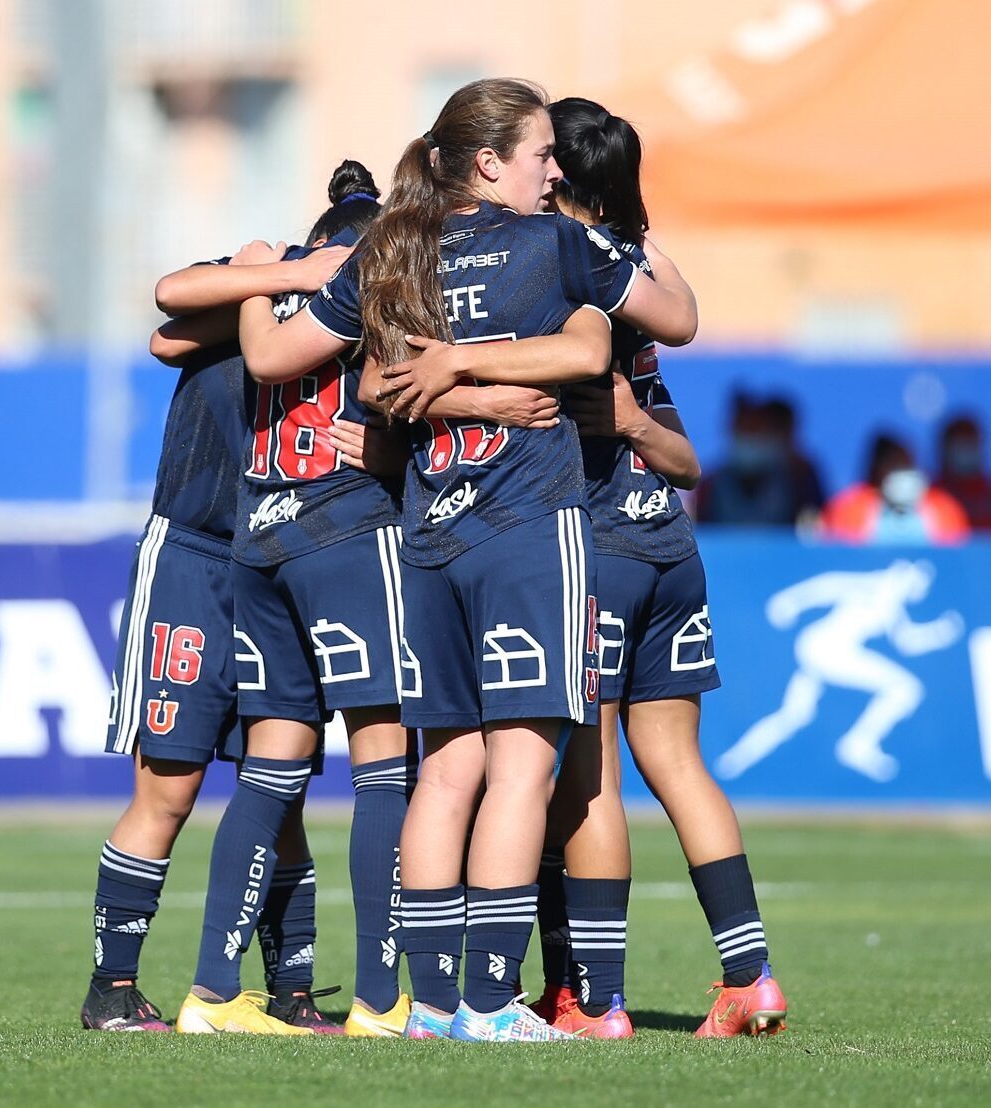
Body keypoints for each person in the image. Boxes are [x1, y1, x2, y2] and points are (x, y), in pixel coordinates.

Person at [236, 77, 699, 1042]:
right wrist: (499, 378)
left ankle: (432, 1004)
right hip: (529, 532)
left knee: (445, 775)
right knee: (522, 773)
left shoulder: (396, 250)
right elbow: (653, 327)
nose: (556, 168)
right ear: (490, 162)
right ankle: (492, 1002)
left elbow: (338, 375)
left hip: (428, 539)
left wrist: (451, 371)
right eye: (540, 152)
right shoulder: (560, 243)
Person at [531, 96, 787, 1040]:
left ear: (557, 169)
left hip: (595, 549)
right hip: (668, 545)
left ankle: (594, 1001)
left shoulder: (550, 258)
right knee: (678, 762)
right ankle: (750, 977)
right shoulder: (642, 263)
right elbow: (687, 459)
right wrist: (639, 422)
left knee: (588, 777)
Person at [77, 181, 356, 1034]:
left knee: (280, 793)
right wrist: (281, 271)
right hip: (195, 557)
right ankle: (112, 986)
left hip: (286, 563)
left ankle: (294, 989)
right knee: (170, 784)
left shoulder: (356, 331)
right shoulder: (260, 283)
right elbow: (170, 311)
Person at [692, 395, 825, 527]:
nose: (750, 438)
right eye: (744, 430)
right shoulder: (710, 484)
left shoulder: (798, 479)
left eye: (756, 430)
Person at [821, 433, 969, 545]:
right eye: (893, 464)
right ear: (876, 469)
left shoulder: (945, 508)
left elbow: (956, 558)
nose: (900, 471)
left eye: (905, 464)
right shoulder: (848, 507)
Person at [932, 413, 991, 533]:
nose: (965, 449)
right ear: (945, 449)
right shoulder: (931, 496)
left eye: (970, 442)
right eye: (960, 443)